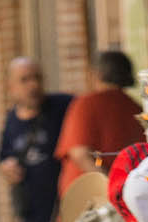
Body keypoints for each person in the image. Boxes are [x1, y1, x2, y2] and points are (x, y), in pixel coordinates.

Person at [0, 57, 72, 222]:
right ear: (11, 88)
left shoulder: (62, 107)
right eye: (25, 80)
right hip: (31, 218)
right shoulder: (11, 121)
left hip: (62, 217)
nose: (33, 85)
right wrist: (7, 168)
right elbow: (2, 157)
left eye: (37, 78)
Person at [53, 51, 141, 198]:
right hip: (126, 196)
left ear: (96, 74)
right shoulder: (136, 109)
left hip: (91, 200)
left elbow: (81, 154)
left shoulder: (85, 104)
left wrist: (110, 188)